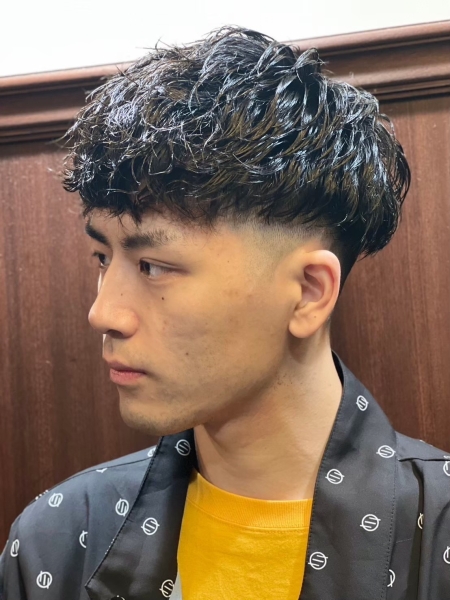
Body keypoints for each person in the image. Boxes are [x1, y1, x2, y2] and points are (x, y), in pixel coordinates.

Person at [0, 25, 448, 600]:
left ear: (308, 293)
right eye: (102, 257)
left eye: (153, 266)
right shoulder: (58, 540)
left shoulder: (437, 534)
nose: (104, 313)